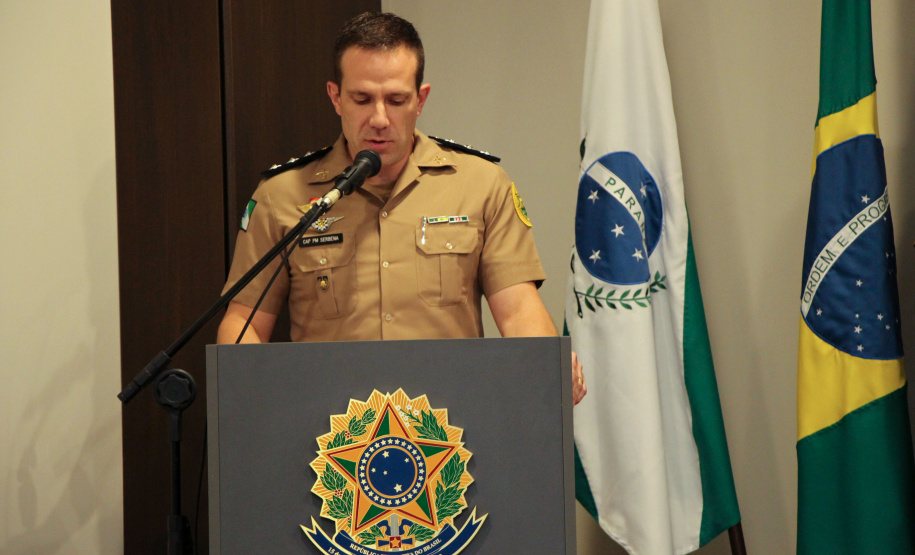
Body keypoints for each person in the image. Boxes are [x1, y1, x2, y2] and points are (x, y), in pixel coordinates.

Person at [216, 12, 586, 405]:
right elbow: (244, 324)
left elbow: (517, 312)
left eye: (396, 100)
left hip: (452, 427)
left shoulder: (480, 185)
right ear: (335, 97)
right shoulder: (282, 195)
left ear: (420, 99)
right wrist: (252, 406)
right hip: (328, 433)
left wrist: (549, 367)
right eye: (362, 99)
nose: (379, 119)